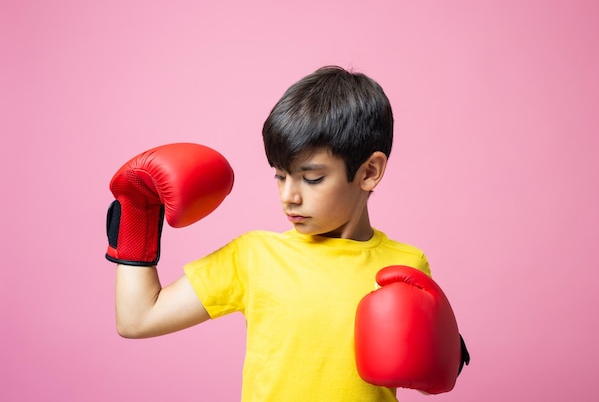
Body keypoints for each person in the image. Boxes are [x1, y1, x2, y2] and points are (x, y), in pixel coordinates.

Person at [108, 66, 468, 402]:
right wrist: (136, 216)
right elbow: (137, 319)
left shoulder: (406, 264)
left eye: (312, 178)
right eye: (280, 176)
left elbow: (435, 369)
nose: (288, 197)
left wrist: (448, 352)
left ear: (369, 171)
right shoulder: (254, 256)